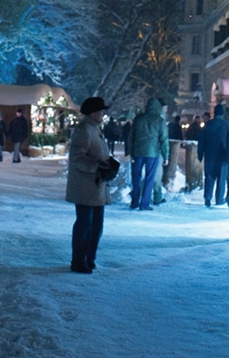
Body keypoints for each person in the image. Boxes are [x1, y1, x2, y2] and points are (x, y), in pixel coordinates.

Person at [66, 96, 117, 273]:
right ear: (93, 113)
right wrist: (98, 166)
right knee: (85, 225)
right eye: (101, 111)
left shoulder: (94, 129)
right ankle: (79, 260)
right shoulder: (84, 130)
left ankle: (88, 258)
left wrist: (108, 162)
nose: (103, 114)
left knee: (95, 225)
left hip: (96, 186)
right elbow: (77, 158)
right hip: (85, 186)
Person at [129, 98, 168, 210]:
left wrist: (131, 152)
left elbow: (131, 136)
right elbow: (164, 139)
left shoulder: (138, 119)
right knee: (149, 177)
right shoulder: (160, 121)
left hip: (137, 152)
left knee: (136, 177)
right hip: (152, 152)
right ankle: (144, 203)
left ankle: (134, 201)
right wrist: (166, 156)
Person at [199, 104, 229, 207]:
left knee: (209, 177)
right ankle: (219, 199)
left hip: (210, 155)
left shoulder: (208, 125)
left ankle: (207, 197)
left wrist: (200, 154)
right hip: (223, 156)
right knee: (221, 179)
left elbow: (202, 140)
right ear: (223, 113)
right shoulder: (228, 125)